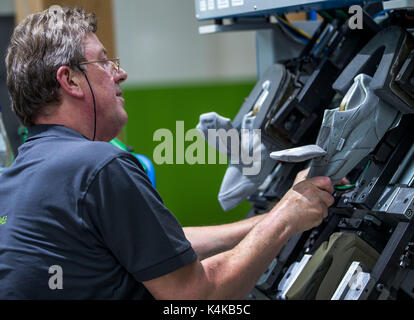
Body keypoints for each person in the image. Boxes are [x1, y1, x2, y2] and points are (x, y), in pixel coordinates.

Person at [0, 7, 336, 300]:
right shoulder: (98, 165)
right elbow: (197, 294)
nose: (121, 73)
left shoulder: (14, 180)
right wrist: (285, 220)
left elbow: (162, 247)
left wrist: (271, 215)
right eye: (104, 62)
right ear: (70, 81)